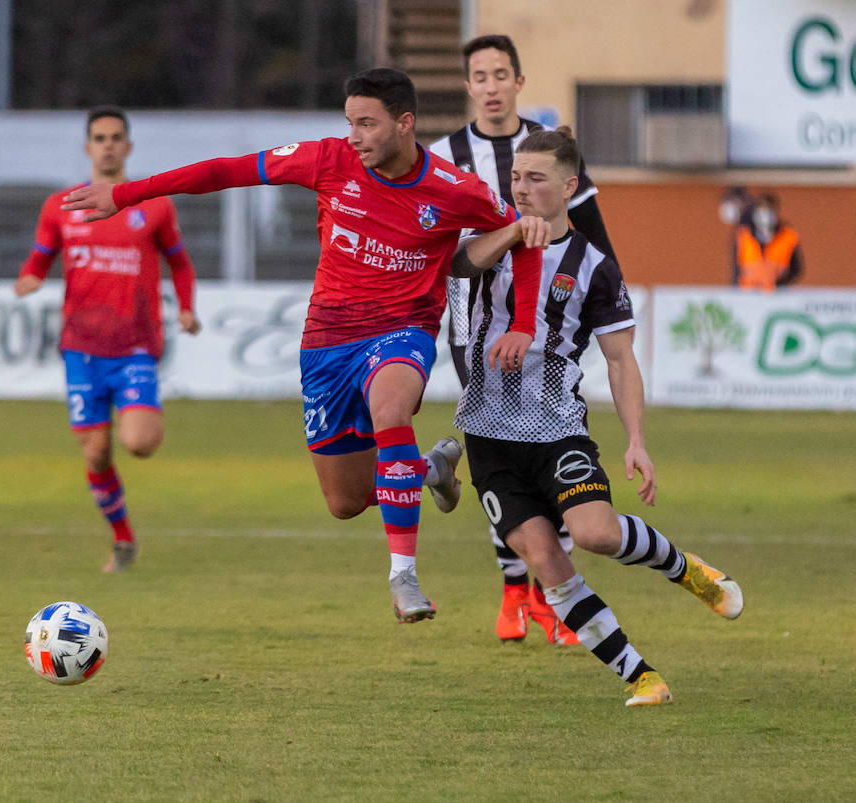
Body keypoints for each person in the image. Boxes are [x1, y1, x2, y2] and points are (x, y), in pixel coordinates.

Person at [63, 69, 551, 621]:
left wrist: (524, 324)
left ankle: (404, 577)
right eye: (350, 123)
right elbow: (226, 171)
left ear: (404, 123)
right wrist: (126, 194)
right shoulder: (326, 159)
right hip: (326, 341)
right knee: (344, 503)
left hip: (402, 329)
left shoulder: (453, 188)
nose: (355, 136)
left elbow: (525, 233)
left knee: (390, 406)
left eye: (366, 124)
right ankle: (428, 470)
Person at [449, 126, 743, 705]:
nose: (523, 188)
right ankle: (642, 677)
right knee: (546, 562)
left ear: (568, 186)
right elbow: (460, 265)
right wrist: (512, 230)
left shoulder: (594, 265)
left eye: (536, 179)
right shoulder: (487, 236)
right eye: (516, 178)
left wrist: (636, 439)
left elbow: (619, 359)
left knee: (597, 535)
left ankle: (687, 569)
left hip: (556, 428)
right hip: (486, 435)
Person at [429, 34, 619, 646]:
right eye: (478, 76)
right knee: (499, 440)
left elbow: (590, 234)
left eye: (499, 74)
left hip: (549, 319)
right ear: (468, 86)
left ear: (518, 81)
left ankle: (547, 589)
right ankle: (517, 590)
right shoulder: (445, 153)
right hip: (473, 320)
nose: (489, 86)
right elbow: (436, 242)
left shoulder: (549, 149)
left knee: (547, 436)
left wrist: (601, 303)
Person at [15, 106, 202, 574]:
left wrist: (186, 307)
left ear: (128, 147)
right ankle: (123, 541)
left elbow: (179, 262)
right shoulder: (60, 206)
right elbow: (39, 258)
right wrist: (29, 279)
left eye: (117, 137)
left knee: (139, 442)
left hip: (135, 344)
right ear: (88, 147)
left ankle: (139, 417)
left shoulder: (153, 204)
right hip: (81, 347)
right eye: (100, 137)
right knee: (96, 452)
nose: (109, 144)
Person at [733, 191, 802, 291]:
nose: (765, 216)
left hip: (776, 295)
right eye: (762, 211)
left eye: (769, 211)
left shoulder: (788, 236)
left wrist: (780, 284)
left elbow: (796, 269)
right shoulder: (744, 236)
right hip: (748, 295)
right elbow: (737, 269)